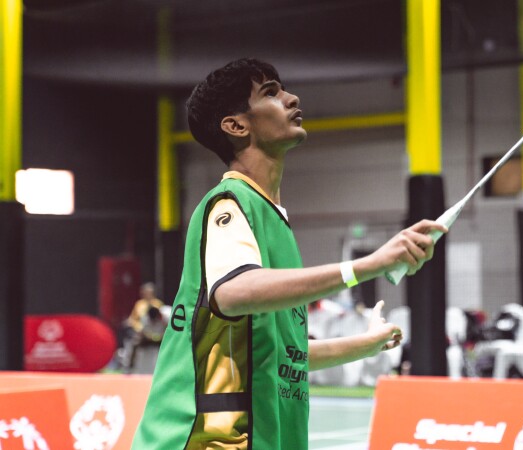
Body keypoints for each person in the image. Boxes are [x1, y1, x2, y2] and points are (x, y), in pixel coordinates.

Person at [131, 58, 447, 449]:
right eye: (271, 93)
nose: (291, 98)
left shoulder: (273, 220)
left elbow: (285, 357)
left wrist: (365, 345)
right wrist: (368, 266)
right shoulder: (230, 204)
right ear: (236, 125)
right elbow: (232, 291)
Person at [120, 282, 167, 373]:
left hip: (157, 332)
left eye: (149, 292)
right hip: (142, 332)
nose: (146, 294)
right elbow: (133, 319)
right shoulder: (139, 304)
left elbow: (162, 319)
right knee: (134, 343)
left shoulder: (158, 304)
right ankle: (130, 365)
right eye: (145, 292)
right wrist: (136, 327)